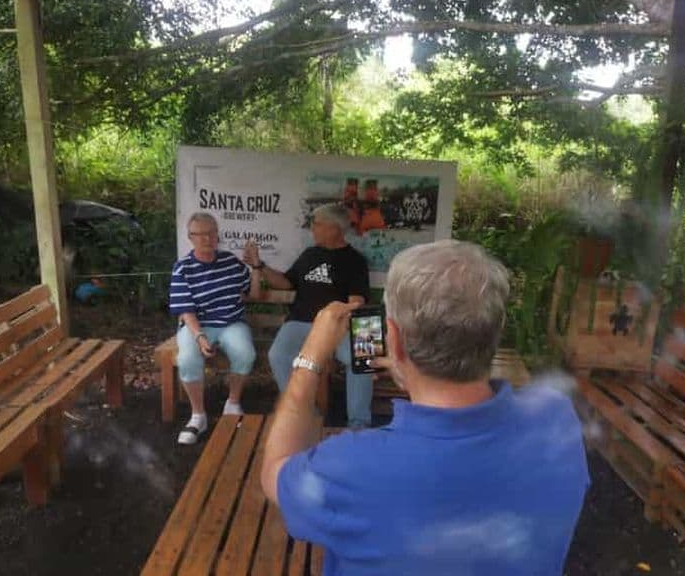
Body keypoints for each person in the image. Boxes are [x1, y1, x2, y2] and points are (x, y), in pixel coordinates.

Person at [260, 240, 589, 575]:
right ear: (496, 329)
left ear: (394, 339)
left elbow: (273, 473)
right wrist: (412, 373)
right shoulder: (557, 420)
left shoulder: (349, 466)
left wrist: (309, 357)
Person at [243, 203, 373, 428]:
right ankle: (308, 415)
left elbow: (357, 303)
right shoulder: (310, 254)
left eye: (316, 224)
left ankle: (359, 423)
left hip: (337, 325)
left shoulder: (356, 261)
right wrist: (259, 265)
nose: (312, 229)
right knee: (278, 356)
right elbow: (286, 283)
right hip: (301, 322)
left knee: (365, 355)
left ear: (334, 228)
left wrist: (331, 322)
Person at [169, 212, 260, 445]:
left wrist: (255, 266)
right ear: (190, 237)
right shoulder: (183, 268)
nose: (206, 239)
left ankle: (233, 403)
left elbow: (254, 294)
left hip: (231, 322)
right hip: (198, 325)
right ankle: (198, 416)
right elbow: (185, 310)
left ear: (217, 234)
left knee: (245, 353)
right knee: (187, 358)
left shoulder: (231, 262)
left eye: (211, 233)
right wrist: (199, 336)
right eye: (200, 234)